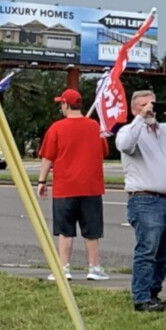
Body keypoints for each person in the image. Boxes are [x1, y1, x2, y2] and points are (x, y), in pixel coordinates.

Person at [116, 90, 166, 312]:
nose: (150, 108)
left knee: (165, 251)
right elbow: (124, 145)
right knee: (147, 249)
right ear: (135, 109)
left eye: (152, 104)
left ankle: (153, 292)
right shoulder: (129, 131)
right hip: (145, 199)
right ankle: (141, 297)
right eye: (144, 105)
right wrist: (141, 118)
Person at [37, 89, 111, 281]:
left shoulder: (56, 128)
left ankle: (64, 268)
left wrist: (42, 181)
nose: (60, 107)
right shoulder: (95, 127)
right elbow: (103, 151)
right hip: (91, 187)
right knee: (92, 231)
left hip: (65, 187)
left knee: (65, 230)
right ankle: (94, 267)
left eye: (61, 104)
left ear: (67, 105)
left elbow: (47, 157)